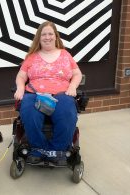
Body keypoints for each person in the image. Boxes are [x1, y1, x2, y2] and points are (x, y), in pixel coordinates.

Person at [14, 21, 82, 165]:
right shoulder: (31, 56)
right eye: (43, 34)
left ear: (55, 36)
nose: (47, 37)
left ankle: (57, 150)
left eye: (50, 34)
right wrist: (20, 88)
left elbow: (77, 73)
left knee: (67, 113)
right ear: (39, 38)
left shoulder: (65, 54)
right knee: (29, 112)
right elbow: (21, 76)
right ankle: (38, 149)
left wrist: (73, 86)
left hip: (62, 93)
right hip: (35, 93)